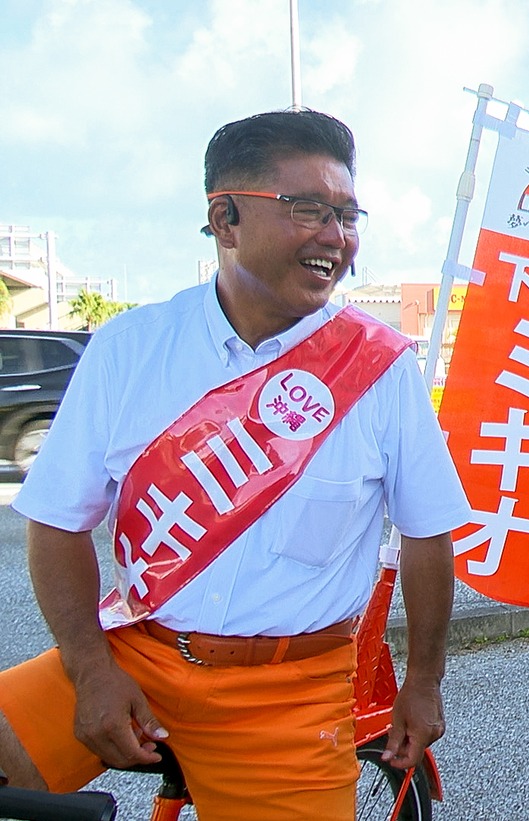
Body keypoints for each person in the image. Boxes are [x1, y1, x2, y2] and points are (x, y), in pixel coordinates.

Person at [0, 109, 471, 819]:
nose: (335, 237)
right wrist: (91, 668)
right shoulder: (129, 348)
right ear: (224, 217)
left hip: (289, 690)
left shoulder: (380, 370)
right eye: (308, 208)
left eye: (348, 214)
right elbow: (57, 521)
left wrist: (424, 681)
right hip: (141, 649)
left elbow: (427, 535)